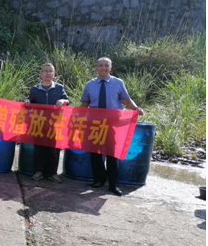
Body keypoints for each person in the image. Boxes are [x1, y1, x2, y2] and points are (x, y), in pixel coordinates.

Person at [81, 57, 144, 196]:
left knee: (112, 154)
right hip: (95, 123)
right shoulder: (89, 84)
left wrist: (136, 108)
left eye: (106, 65)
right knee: (95, 153)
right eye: (100, 65)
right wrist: (80, 120)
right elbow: (84, 104)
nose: (103, 68)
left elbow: (126, 100)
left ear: (110, 67)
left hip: (113, 124)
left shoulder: (118, 83)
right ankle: (98, 180)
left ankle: (113, 184)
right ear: (96, 68)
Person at [25, 63, 70, 183]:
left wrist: (62, 100)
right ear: (41, 74)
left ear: (54, 74)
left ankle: (52, 173)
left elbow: (67, 100)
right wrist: (28, 101)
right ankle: (39, 172)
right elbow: (30, 100)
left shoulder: (59, 88)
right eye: (45, 71)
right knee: (39, 148)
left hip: (54, 124)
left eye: (50, 71)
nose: (48, 73)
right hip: (39, 123)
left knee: (54, 149)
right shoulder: (35, 89)